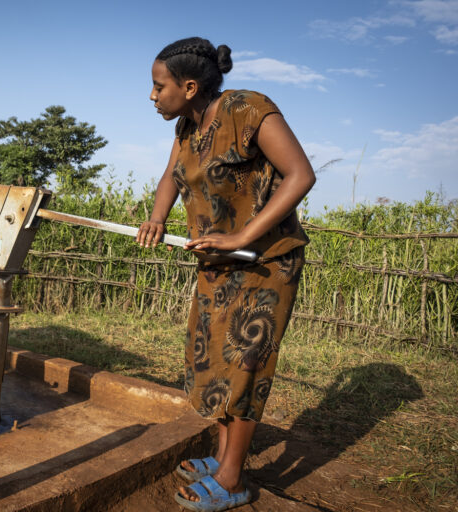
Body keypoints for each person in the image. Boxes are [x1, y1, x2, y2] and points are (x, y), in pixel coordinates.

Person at [136, 37, 316, 511]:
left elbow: (300, 175)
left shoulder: (249, 109)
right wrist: (157, 218)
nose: (152, 96)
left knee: (246, 364)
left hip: (266, 262)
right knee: (217, 363)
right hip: (217, 266)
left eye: (159, 87)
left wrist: (241, 238)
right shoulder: (186, 129)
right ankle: (221, 460)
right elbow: (169, 178)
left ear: (189, 86)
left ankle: (234, 479)